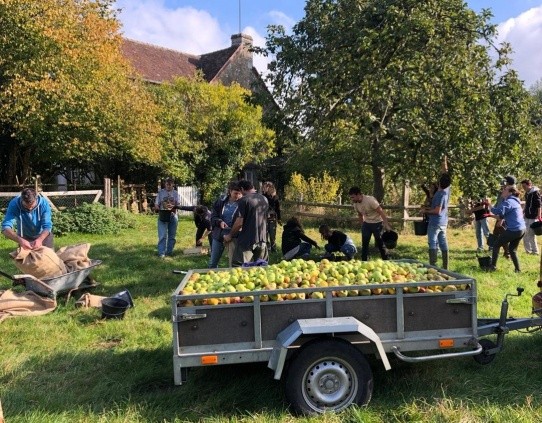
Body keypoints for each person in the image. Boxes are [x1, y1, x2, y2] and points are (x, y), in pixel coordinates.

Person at [223, 179, 269, 266]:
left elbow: (239, 222)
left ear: (242, 189)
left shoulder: (244, 200)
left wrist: (230, 235)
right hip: (262, 239)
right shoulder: (264, 199)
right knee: (261, 266)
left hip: (247, 240)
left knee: (239, 266)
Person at [485, 186, 526, 272]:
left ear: (510, 193)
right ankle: (518, 270)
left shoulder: (509, 202)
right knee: (512, 250)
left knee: (496, 245)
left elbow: (497, 211)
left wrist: (489, 204)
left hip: (514, 230)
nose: (503, 191)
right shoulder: (515, 201)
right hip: (521, 229)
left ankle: (493, 267)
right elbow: (502, 215)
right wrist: (490, 215)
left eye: (505, 190)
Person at [348, 187, 391, 261]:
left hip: (377, 223)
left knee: (380, 243)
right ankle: (364, 261)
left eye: (353, 197)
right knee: (364, 244)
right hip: (367, 224)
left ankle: (386, 260)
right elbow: (360, 215)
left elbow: (381, 212)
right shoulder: (355, 204)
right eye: (351, 197)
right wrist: (362, 225)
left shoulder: (370, 200)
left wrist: (386, 224)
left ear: (358, 194)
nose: (352, 199)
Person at [208, 182, 242, 268]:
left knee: (234, 263)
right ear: (230, 191)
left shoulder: (243, 203)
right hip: (219, 234)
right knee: (213, 263)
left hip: (234, 235)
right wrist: (219, 222)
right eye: (235, 193)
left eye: (239, 194)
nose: (237, 196)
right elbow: (213, 217)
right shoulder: (220, 202)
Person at [422, 172, 451, 269]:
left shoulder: (439, 195)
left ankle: (433, 266)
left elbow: (437, 211)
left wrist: (425, 211)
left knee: (432, 243)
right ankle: (445, 267)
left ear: (439, 183)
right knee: (443, 243)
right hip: (443, 222)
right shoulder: (447, 192)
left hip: (435, 222)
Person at [491, 176, 517, 259]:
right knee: (496, 233)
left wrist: (502, 219)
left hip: (505, 217)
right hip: (500, 215)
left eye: (505, 181)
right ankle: (496, 250)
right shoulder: (504, 190)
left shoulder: (511, 192)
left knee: (502, 234)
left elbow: (506, 207)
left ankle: (507, 252)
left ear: (508, 182)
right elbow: (499, 202)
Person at [154, 177, 180, 258]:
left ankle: (169, 252)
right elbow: (156, 204)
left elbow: (178, 204)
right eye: (167, 184)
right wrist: (157, 208)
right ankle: (161, 253)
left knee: (172, 236)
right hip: (163, 215)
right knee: (162, 235)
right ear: (165, 184)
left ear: (173, 184)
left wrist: (173, 206)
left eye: (170, 184)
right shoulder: (161, 193)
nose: (168, 185)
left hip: (173, 216)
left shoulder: (175, 193)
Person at [520, 179, 541, 255]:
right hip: (526, 216)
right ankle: (528, 251)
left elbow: (539, 205)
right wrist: (523, 211)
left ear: (529, 185)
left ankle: (535, 251)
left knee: (531, 234)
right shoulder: (527, 193)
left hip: (533, 217)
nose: (523, 188)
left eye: (524, 186)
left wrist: (539, 216)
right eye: (522, 186)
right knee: (524, 233)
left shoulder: (535, 193)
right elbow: (526, 204)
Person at [262, 181, 281, 252]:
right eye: (264, 187)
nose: (264, 188)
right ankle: (267, 248)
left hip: (272, 218)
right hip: (264, 218)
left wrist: (279, 219)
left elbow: (278, 209)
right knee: (265, 233)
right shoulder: (262, 197)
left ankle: (273, 248)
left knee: (272, 234)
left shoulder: (275, 197)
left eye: (266, 187)